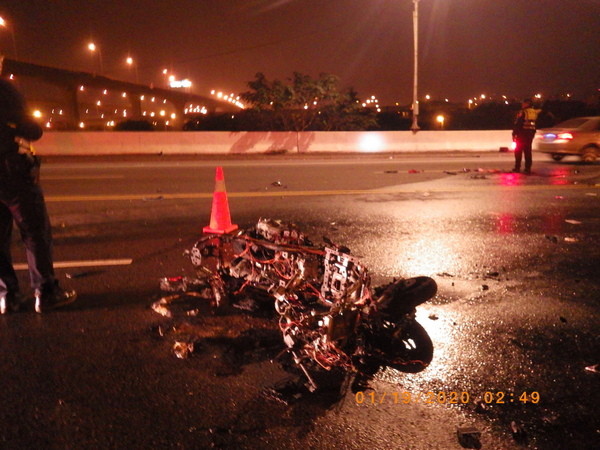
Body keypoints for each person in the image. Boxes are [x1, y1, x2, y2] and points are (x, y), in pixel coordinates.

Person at [0, 68, 76, 314]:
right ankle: (45, 292)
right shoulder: (5, 90)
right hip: (11, 172)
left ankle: (6, 296)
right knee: (34, 232)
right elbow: (32, 130)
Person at [511, 98, 541, 175]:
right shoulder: (533, 112)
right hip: (530, 134)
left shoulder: (523, 112)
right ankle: (527, 168)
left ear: (527, 104)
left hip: (522, 134)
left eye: (523, 103)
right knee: (528, 152)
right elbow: (535, 123)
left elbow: (519, 123)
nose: (522, 104)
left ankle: (517, 167)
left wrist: (514, 134)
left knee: (518, 151)